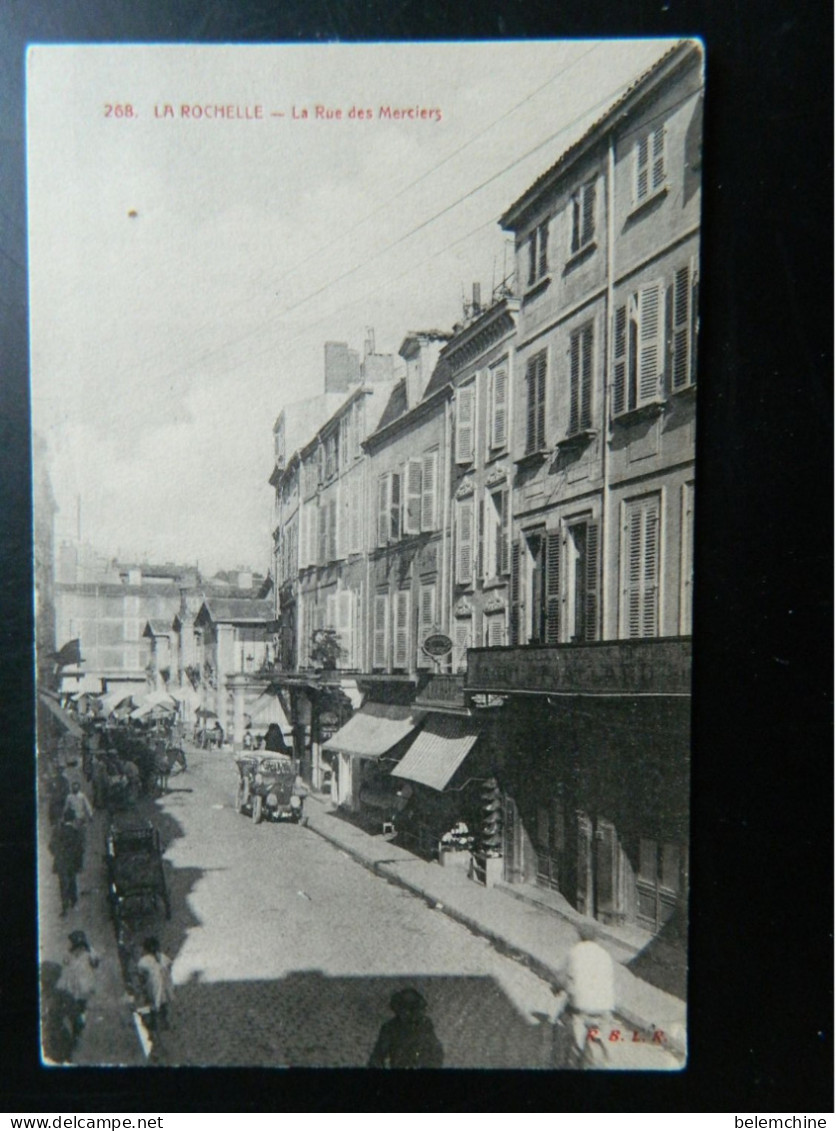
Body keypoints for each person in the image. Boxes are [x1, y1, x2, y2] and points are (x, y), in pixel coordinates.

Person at [551, 922, 616, 1069]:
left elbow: (562, 978)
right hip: (605, 1008)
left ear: (579, 936)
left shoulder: (574, 952)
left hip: (581, 1008)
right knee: (603, 1048)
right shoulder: (605, 955)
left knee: (571, 1042)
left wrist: (556, 988)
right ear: (596, 938)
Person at [368, 987, 444, 1068]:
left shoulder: (425, 1025)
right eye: (406, 1010)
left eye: (416, 1009)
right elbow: (376, 1058)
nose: (411, 1014)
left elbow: (437, 1052)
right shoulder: (390, 1028)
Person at [57, 930, 100, 1041]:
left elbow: (65, 961)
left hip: (77, 985)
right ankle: (80, 1019)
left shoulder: (72, 954)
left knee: (77, 1003)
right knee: (81, 1003)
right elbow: (96, 963)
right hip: (83, 984)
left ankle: (78, 1022)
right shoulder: (89, 952)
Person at [137, 936, 174, 1034]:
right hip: (165, 984)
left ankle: (153, 1023)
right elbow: (170, 965)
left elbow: (141, 974)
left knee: (153, 1003)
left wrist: (142, 985)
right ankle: (164, 1021)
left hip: (153, 986)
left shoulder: (143, 961)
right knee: (163, 1003)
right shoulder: (162, 957)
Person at [50, 814, 85, 915]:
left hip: (61, 862)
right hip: (72, 861)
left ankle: (64, 906)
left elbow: (51, 846)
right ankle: (74, 902)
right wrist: (79, 863)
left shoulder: (57, 832)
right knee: (72, 880)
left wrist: (57, 854)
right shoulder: (75, 832)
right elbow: (80, 849)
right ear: (73, 820)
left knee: (63, 884)